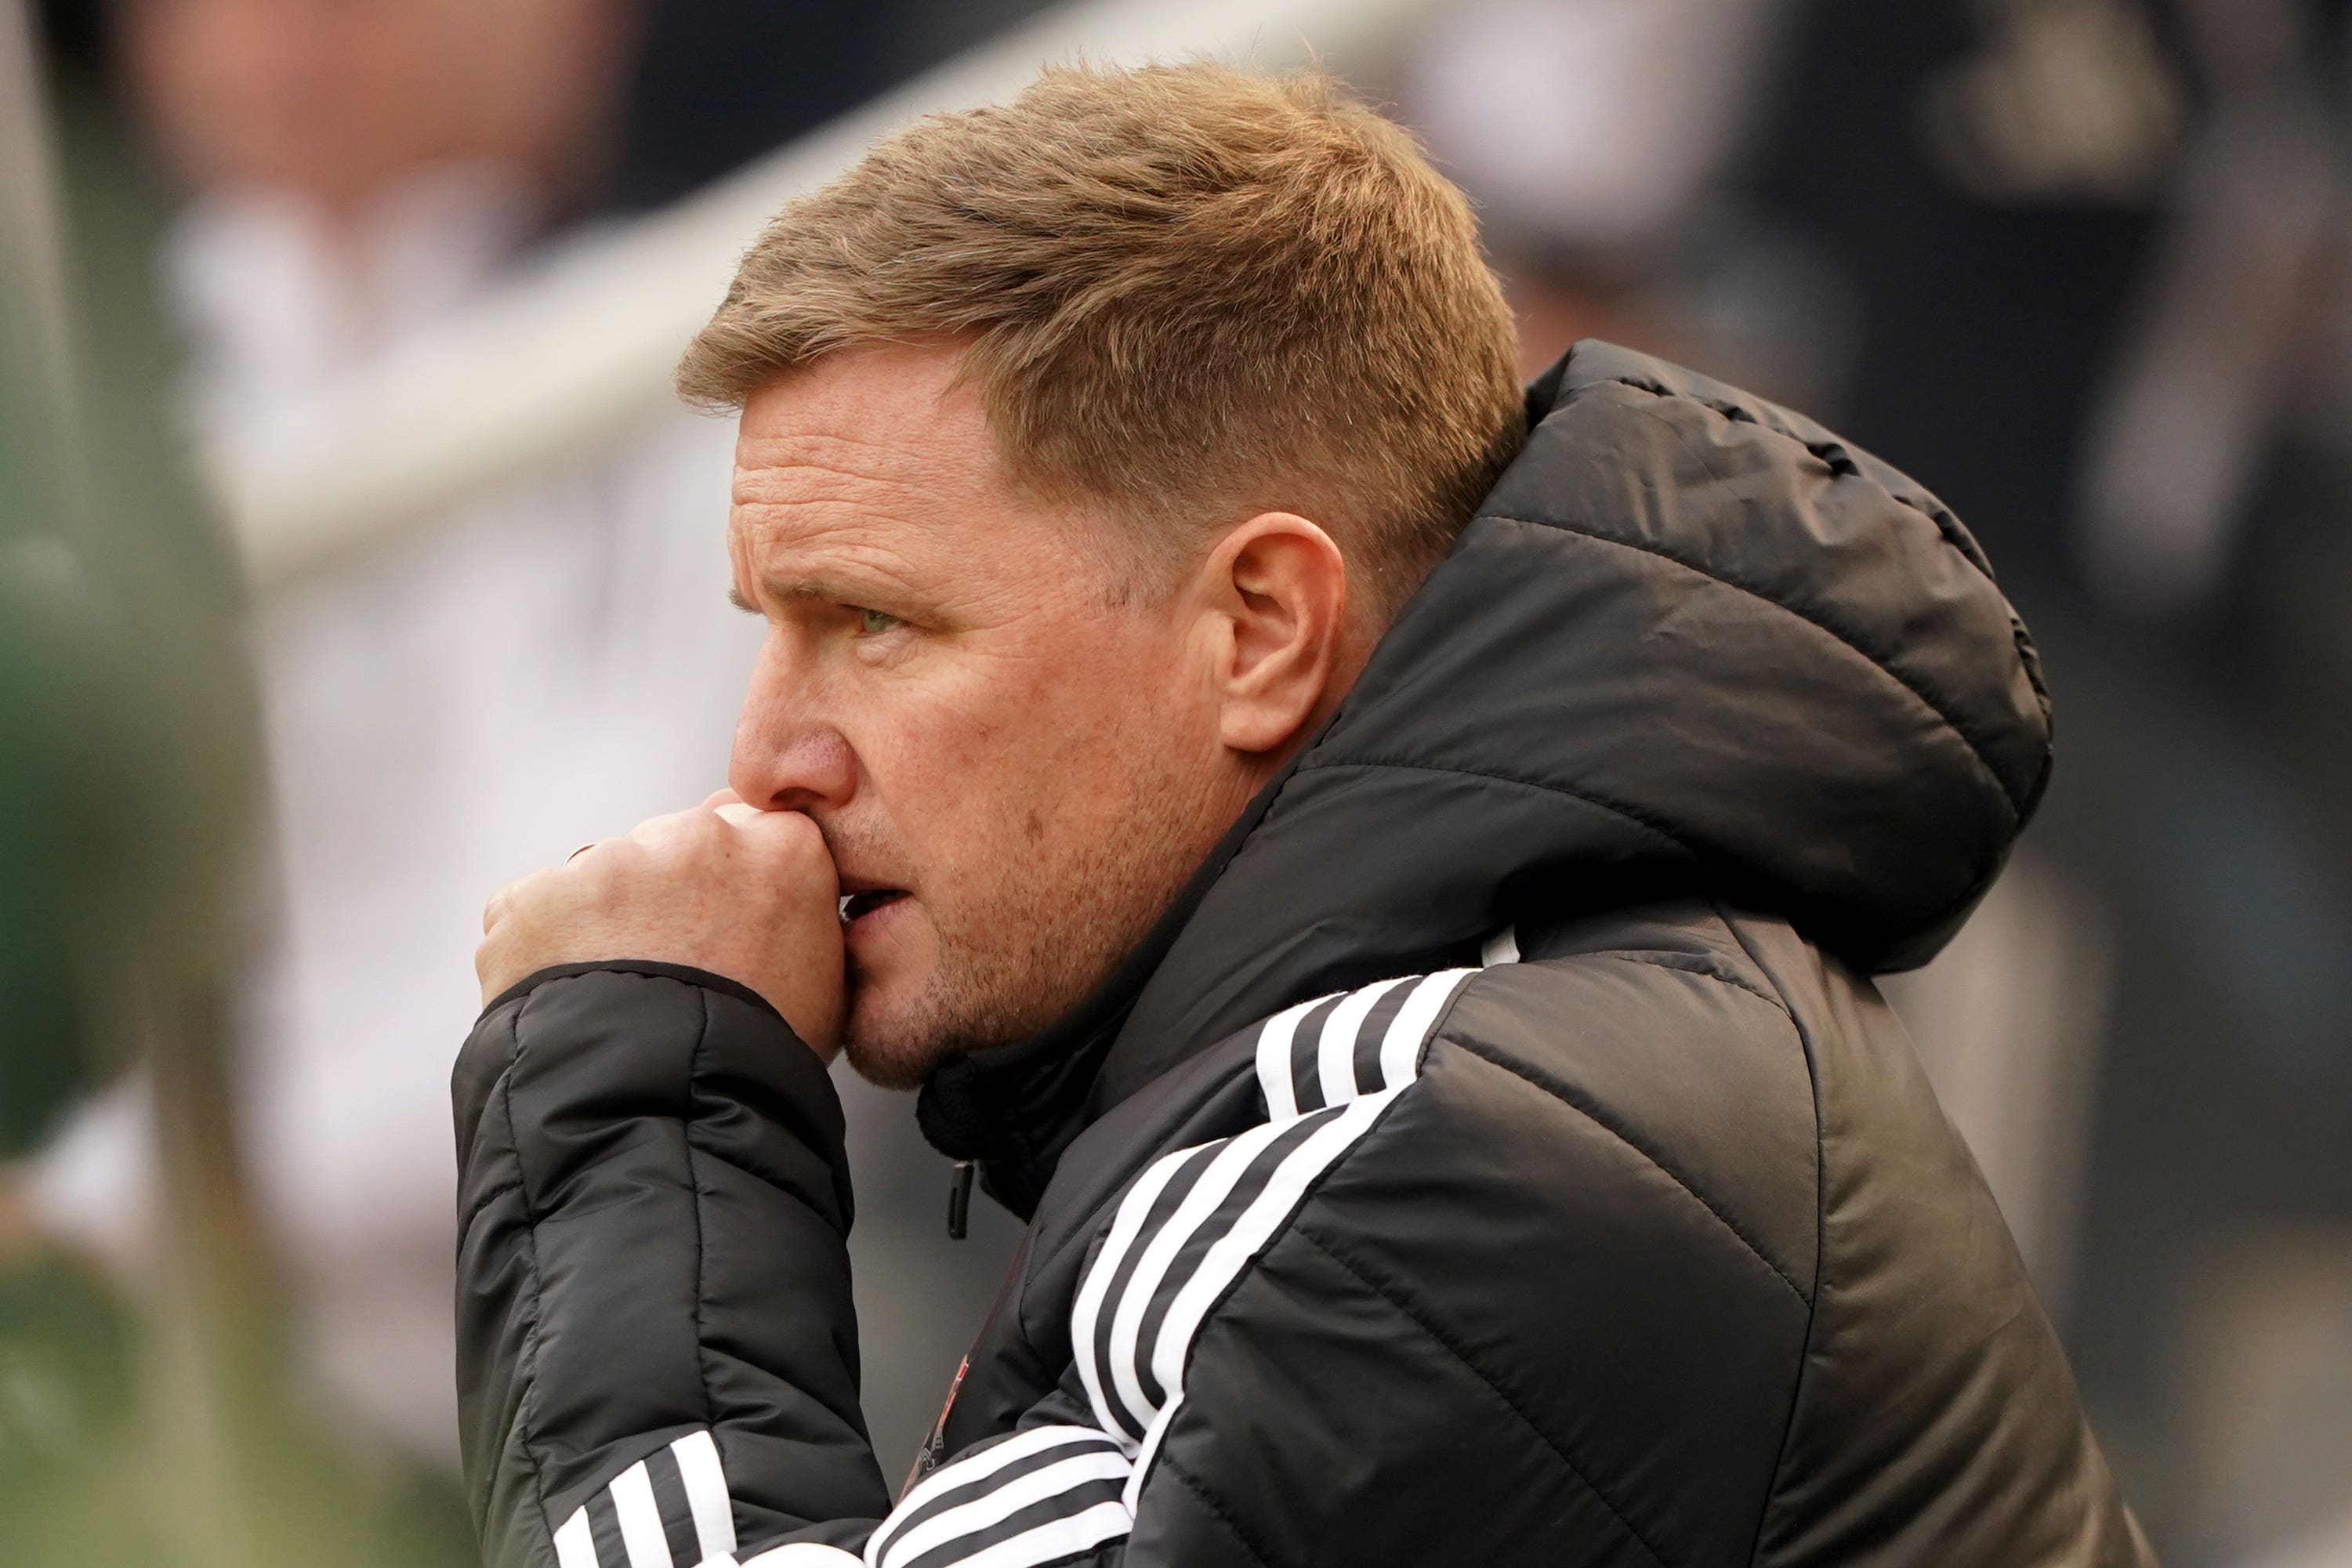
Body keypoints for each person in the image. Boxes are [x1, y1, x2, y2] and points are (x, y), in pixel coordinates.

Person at [454, 62, 2153, 1567]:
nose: (768, 760)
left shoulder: (1450, 1140)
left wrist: (635, 1080)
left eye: (877, 623)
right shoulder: (1518, 1029)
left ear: (1260, 629)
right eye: (770, 628)